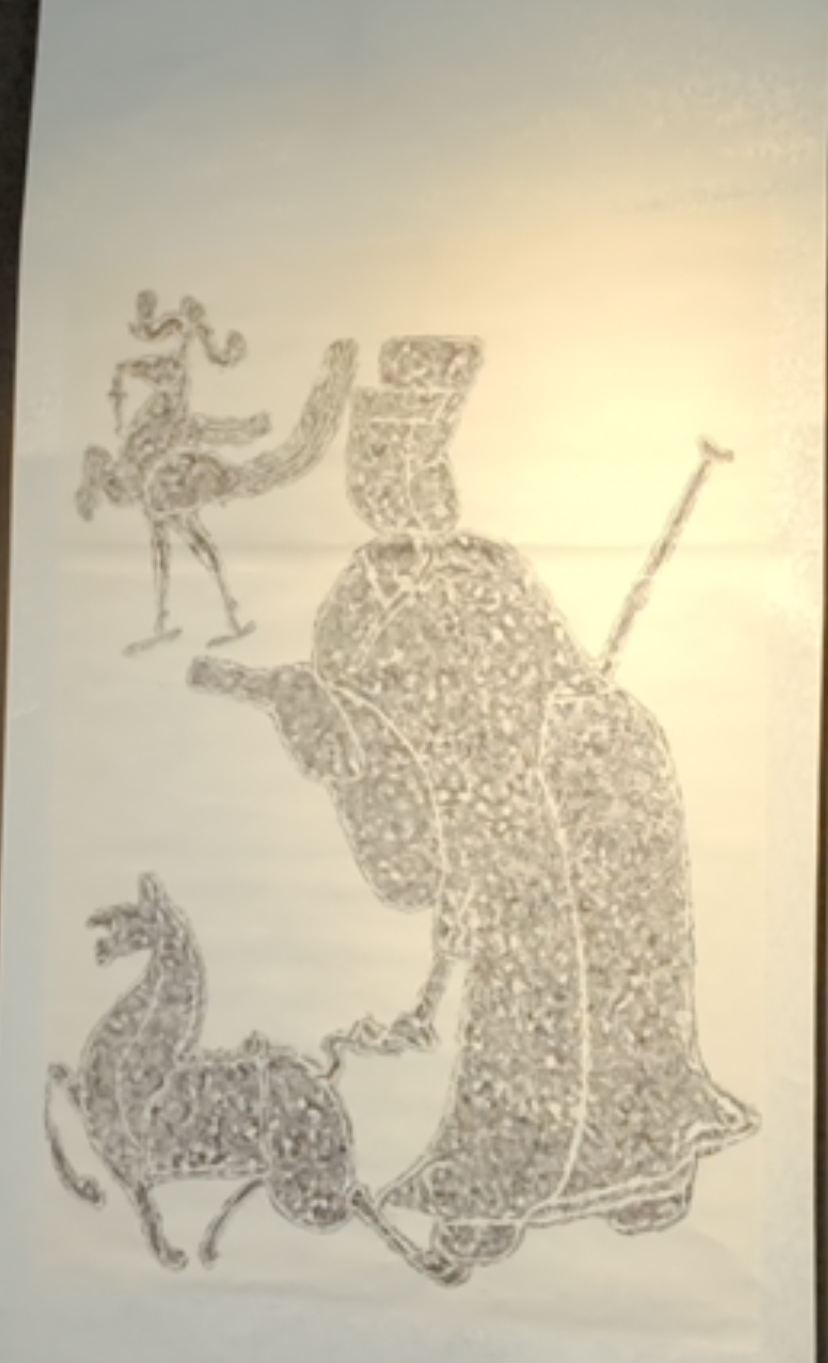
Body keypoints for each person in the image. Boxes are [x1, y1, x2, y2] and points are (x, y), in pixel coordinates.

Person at [194, 337, 752, 1280]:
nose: (415, 491)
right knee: (521, 1009)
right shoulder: (357, 600)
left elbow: (561, 673)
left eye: (425, 467)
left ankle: (644, 1165)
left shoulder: (492, 568)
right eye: (392, 473)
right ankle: (496, 1190)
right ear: (372, 488)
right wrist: (316, 711)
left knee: (619, 989)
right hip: (483, 825)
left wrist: (581, 712)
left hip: (567, 803)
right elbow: (358, 717)